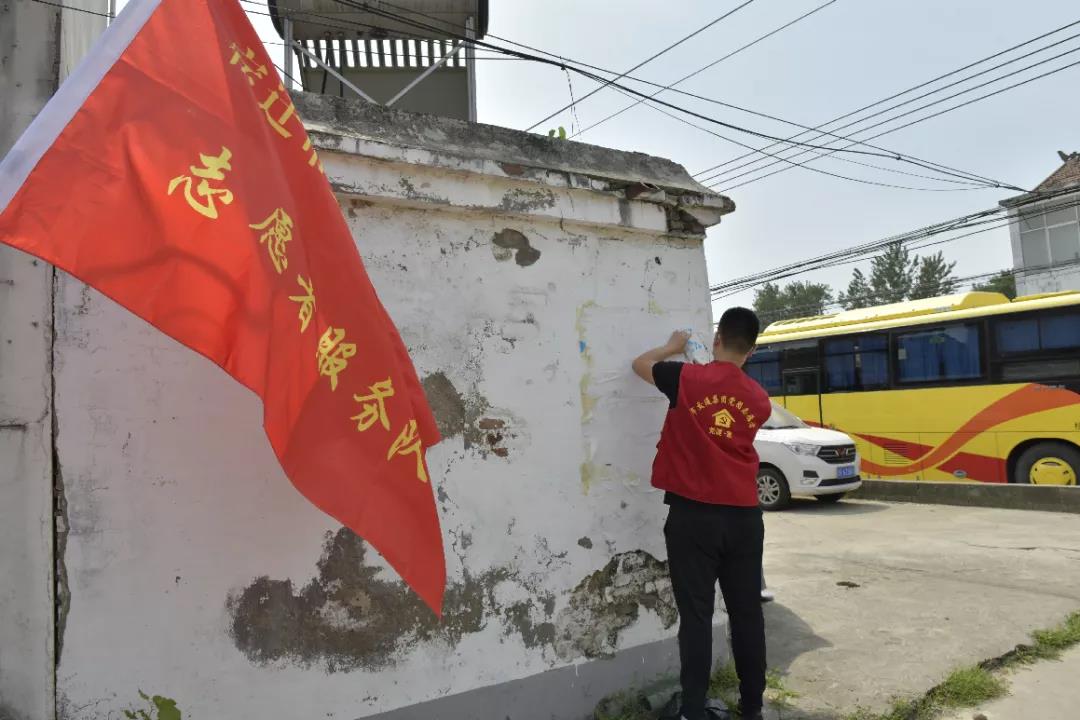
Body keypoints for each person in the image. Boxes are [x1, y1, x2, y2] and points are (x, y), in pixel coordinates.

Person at [632, 308, 772, 720]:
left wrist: (672, 347)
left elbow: (640, 365)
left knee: (696, 618)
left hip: (693, 518)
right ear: (752, 350)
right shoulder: (759, 400)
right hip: (745, 518)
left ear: (716, 339)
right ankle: (752, 708)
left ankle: (693, 710)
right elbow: (727, 413)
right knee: (747, 615)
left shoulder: (684, 378)